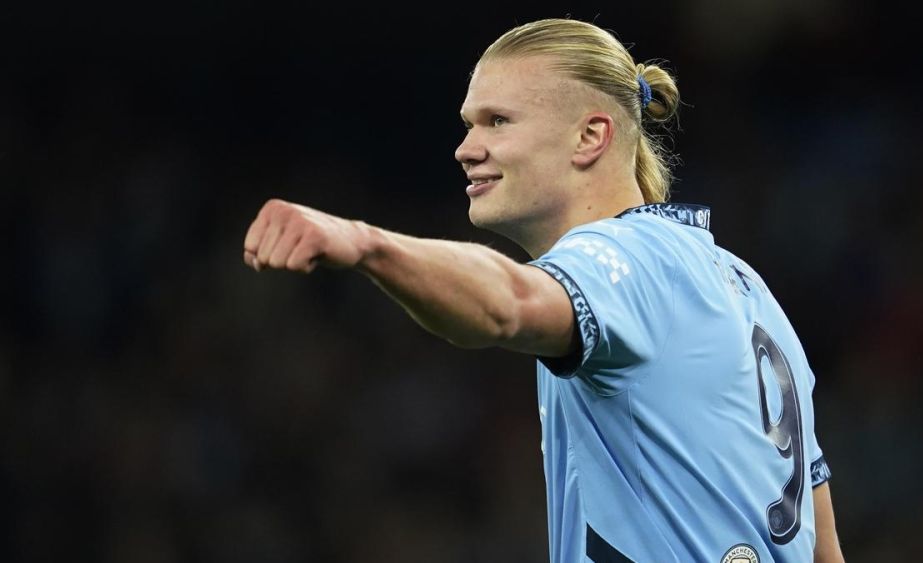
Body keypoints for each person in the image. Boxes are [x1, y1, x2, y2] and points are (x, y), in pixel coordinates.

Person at [242, 17, 845, 563]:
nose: (465, 148)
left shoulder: (624, 258)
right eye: (469, 124)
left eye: (497, 122)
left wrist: (364, 243)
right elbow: (824, 547)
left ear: (591, 137)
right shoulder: (743, 284)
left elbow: (511, 304)